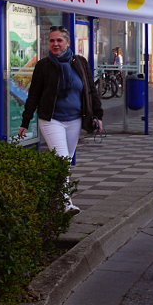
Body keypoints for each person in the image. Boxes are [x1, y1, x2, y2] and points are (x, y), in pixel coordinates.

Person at [17, 26, 103, 213]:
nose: (55, 44)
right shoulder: (44, 65)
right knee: (62, 159)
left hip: (74, 119)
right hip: (51, 119)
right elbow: (34, 95)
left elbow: (90, 90)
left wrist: (97, 115)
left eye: (59, 40)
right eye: (52, 41)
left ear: (67, 43)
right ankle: (65, 203)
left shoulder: (80, 62)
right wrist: (25, 121)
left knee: (65, 162)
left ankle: (51, 197)